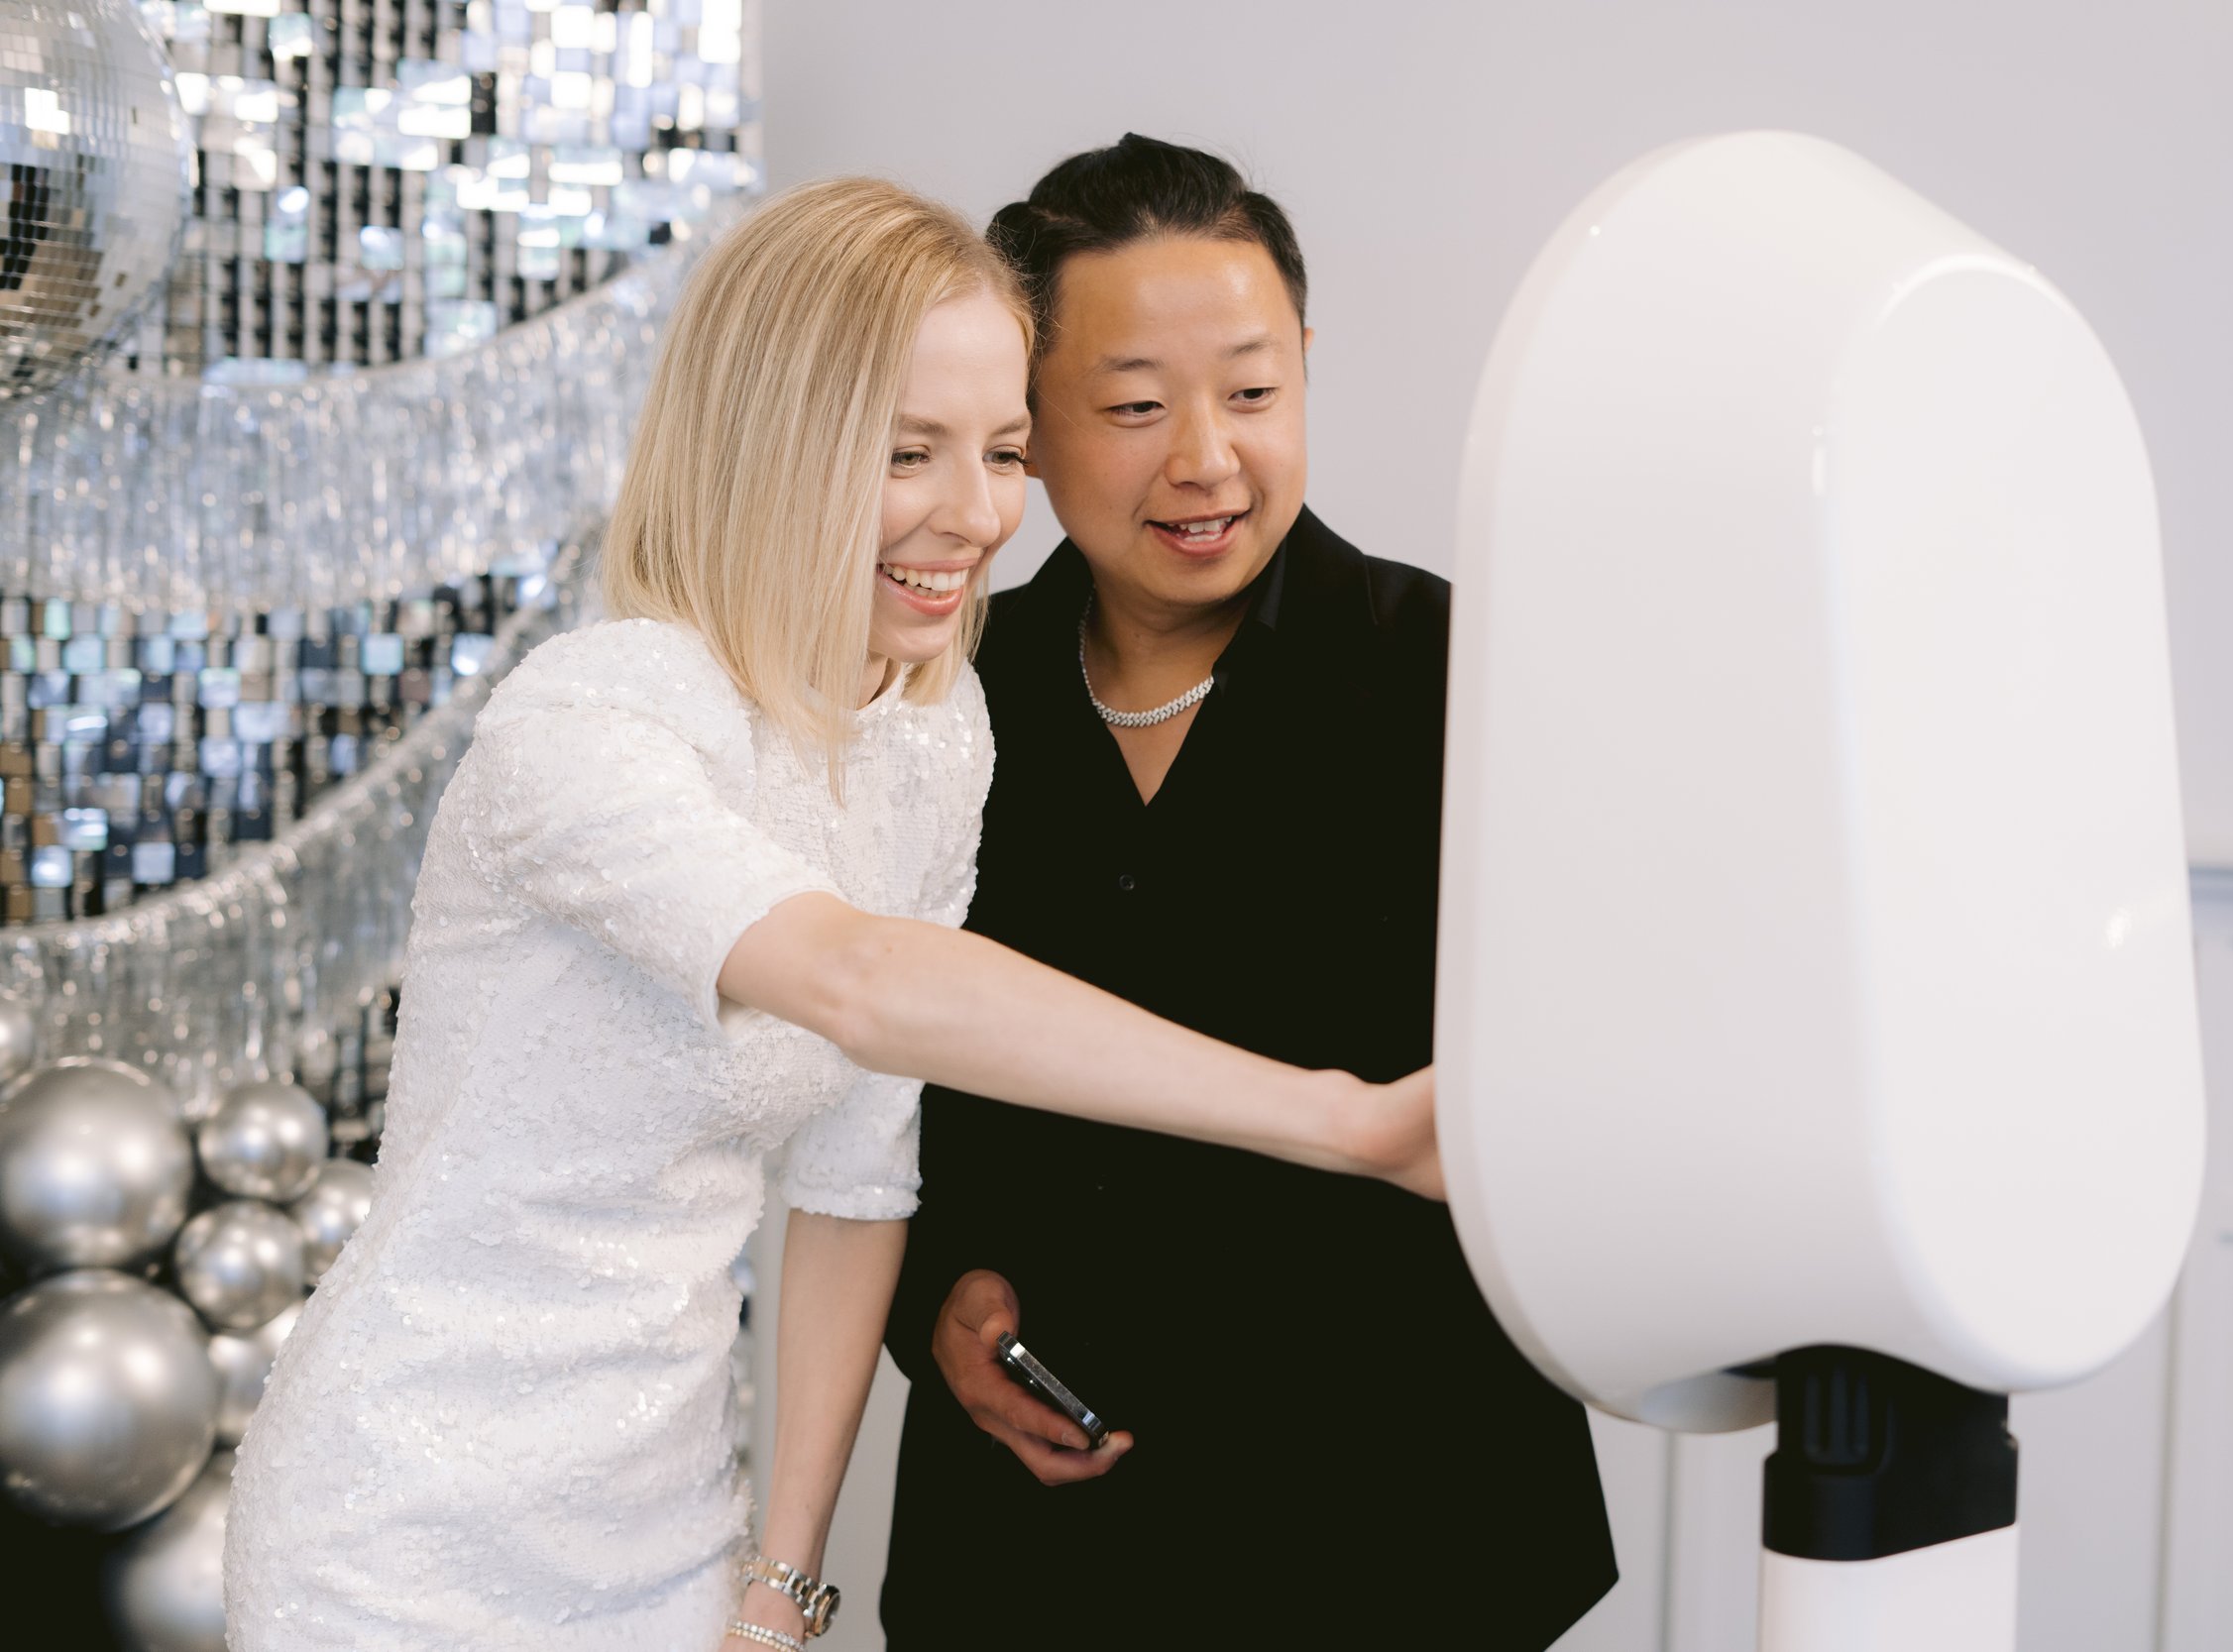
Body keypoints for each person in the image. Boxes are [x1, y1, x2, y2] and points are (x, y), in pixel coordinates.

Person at [220, 178, 1437, 1652]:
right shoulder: (593, 721)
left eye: (1001, 452)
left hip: (669, 1517)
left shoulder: (927, 737)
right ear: (772, 442)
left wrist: (783, 1582)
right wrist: (1349, 1121)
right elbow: (863, 981)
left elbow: (860, 1182)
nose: (977, 516)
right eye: (908, 453)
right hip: (402, 1522)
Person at [876, 136, 1619, 1649]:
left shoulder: (1465, 676)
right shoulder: (932, 697)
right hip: (1030, 1558)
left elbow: (1590, 1084)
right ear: (1027, 422)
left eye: (1255, 392)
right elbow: (869, 1079)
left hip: (1397, 1536)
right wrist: (936, 1300)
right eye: (1135, 407)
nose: (1207, 458)